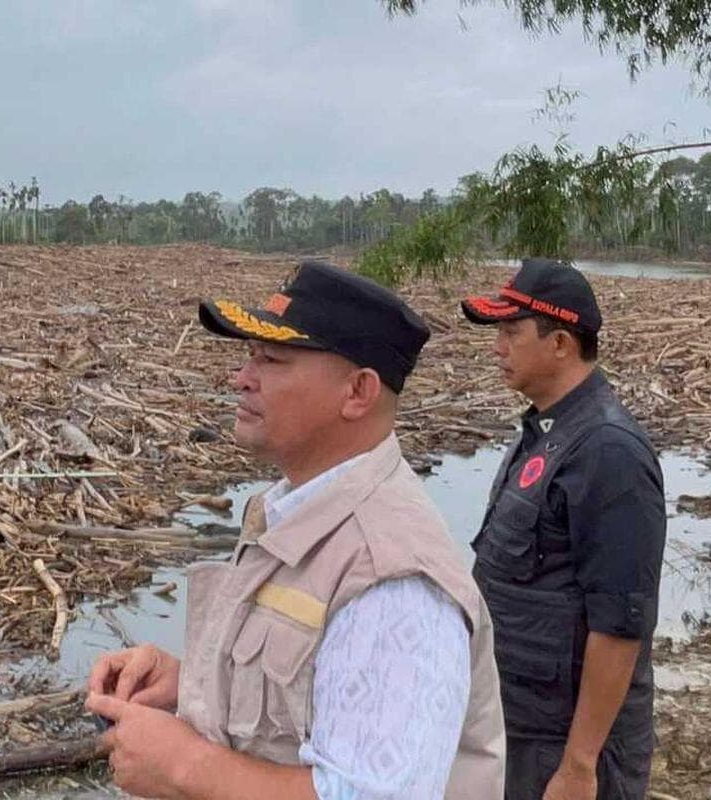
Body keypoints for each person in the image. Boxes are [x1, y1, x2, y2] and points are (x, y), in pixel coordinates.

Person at [86, 261, 505, 800]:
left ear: (357, 392)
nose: (242, 377)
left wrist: (185, 765)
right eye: (250, 355)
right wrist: (190, 684)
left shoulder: (393, 582)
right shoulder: (296, 510)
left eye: (272, 359)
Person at [459, 258, 666, 800]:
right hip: (518, 726)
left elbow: (619, 624)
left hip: (563, 747)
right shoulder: (545, 431)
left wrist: (578, 766)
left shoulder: (609, 452)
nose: (497, 348)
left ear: (560, 344)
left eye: (511, 332)